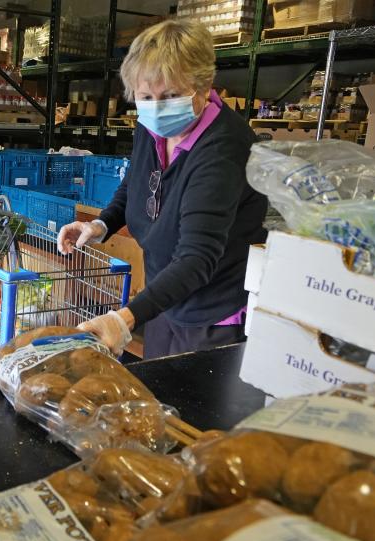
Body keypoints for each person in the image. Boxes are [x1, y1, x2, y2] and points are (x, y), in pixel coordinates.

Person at [56, 19, 267, 360]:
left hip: (210, 317)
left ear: (204, 85)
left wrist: (123, 319)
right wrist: (101, 224)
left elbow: (198, 257)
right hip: (164, 300)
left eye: (171, 95)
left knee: (193, 408)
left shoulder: (223, 149)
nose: (157, 107)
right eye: (146, 96)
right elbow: (135, 183)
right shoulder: (149, 127)